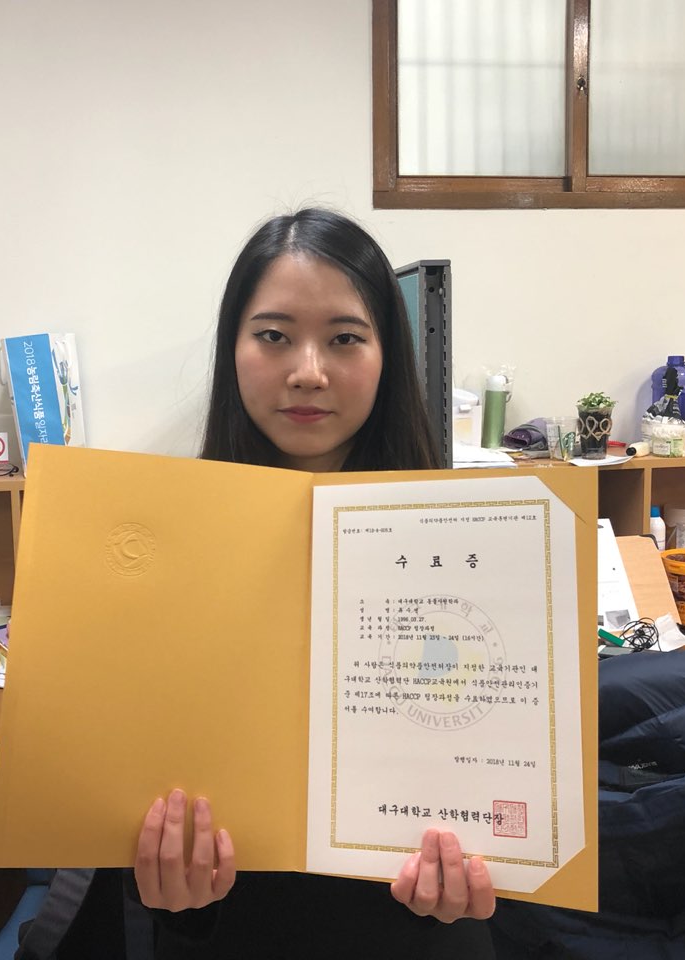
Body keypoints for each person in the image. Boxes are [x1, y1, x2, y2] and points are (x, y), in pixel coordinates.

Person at [129, 208, 496, 959]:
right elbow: (136, 787)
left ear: (388, 355)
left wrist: (480, 882)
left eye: (344, 338)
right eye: (273, 335)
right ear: (233, 349)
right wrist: (171, 894)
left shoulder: (465, 541)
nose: (307, 371)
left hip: (412, 932)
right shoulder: (162, 545)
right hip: (235, 932)